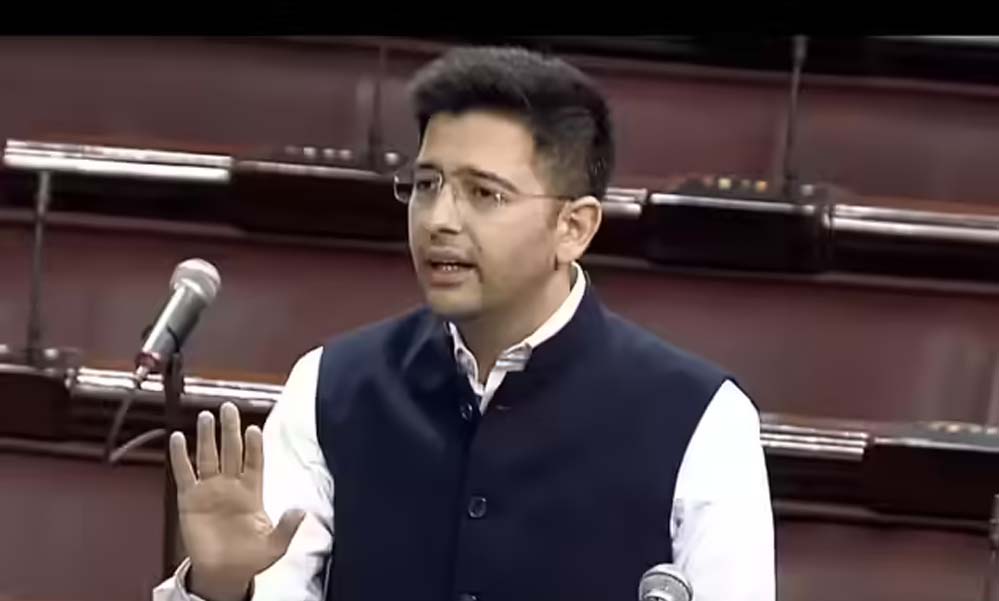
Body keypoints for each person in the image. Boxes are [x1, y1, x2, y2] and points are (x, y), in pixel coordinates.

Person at [153, 45, 774, 601]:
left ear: (573, 228)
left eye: (484, 194)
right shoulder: (328, 388)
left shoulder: (703, 420)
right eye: (426, 184)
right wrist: (221, 589)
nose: (438, 220)